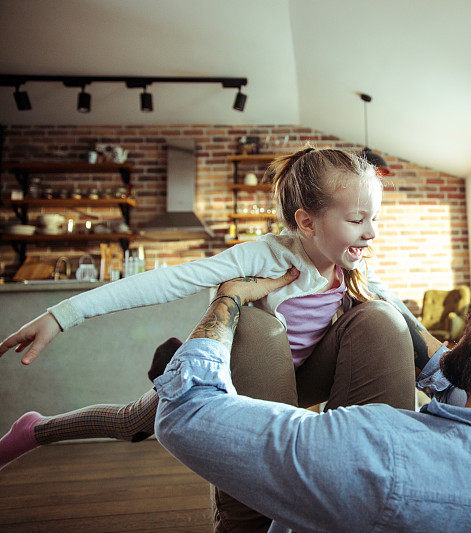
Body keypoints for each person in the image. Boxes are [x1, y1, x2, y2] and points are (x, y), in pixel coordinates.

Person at [0, 146, 427, 529]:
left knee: (381, 316)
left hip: (302, 380)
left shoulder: (352, 265)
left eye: (375, 219)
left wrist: (450, 368)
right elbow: (169, 281)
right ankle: (36, 429)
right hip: (236, 380)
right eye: (357, 220)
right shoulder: (264, 255)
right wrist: (62, 315)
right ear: (307, 222)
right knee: (130, 421)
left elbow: (406, 320)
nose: (371, 233)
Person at [153, 230, 471, 532]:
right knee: (379, 321)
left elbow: (186, 415)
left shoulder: (382, 455)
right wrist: (367, 285)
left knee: (253, 329)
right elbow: (452, 378)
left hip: (324, 488)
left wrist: (228, 299)